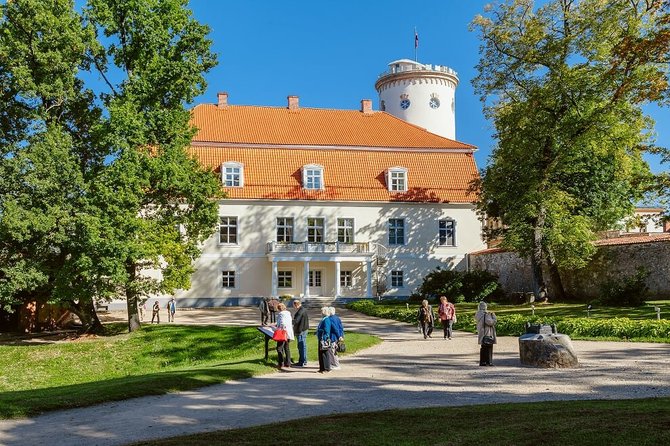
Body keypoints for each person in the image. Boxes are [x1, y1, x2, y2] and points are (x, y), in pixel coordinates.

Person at [475, 301, 497, 366]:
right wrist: (494, 317)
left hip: (482, 332)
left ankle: (482, 361)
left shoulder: (478, 314)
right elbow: (490, 322)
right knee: (489, 347)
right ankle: (489, 361)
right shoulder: (486, 314)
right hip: (487, 332)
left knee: (483, 347)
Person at [275, 302, 295, 369]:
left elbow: (282, 323)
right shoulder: (288, 313)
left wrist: (278, 328)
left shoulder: (281, 314)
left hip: (283, 333)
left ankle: (281, 363)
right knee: (286, 348)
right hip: (288, 333)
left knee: (279, 348)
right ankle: (288, 363)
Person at [315, 306, 335, 373]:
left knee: (325, 354)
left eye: (322, 311)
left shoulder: (326, 319)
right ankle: (322, 368)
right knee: (321, 353)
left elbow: (326, 330)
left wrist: (319, 330)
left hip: (324, 338)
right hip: (321, 338)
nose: (321, 313)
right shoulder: (324, 319)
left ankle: (327, 368)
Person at [291, 300, 309, 367]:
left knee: (301, 346)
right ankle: (304, 360)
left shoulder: (300, 311)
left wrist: (288, 321)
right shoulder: (303, 309)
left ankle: (302, 361)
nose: (294, 307)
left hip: (301, 330)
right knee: (303, 345)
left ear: (296, 305)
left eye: (294, 306)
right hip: (304, 329)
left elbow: (296, 321)